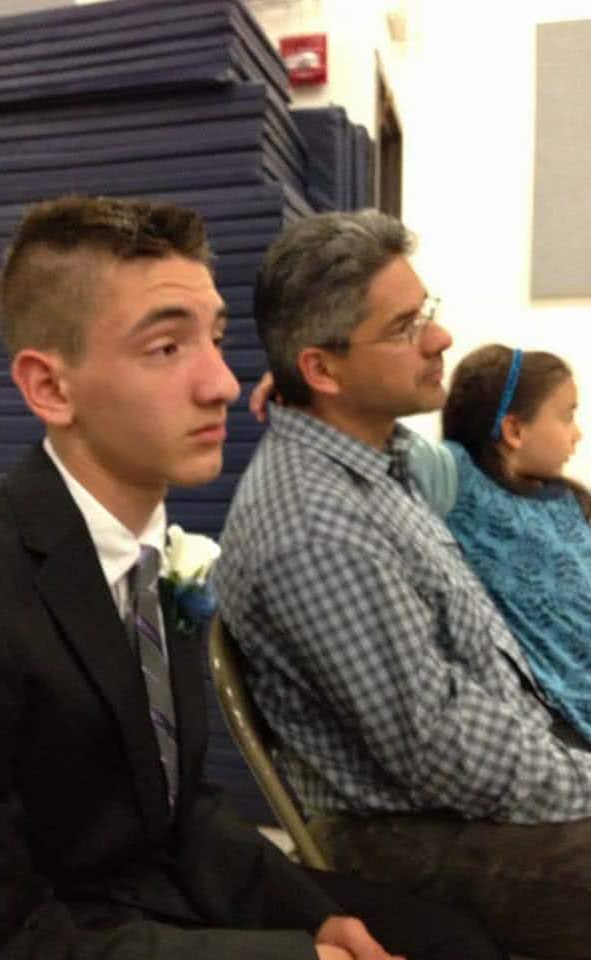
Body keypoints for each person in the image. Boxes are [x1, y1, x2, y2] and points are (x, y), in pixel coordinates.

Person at [0, 196, 503, 960]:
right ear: (51, 388)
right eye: (167, 347)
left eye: (217, 338)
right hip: (62, 927)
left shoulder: (153, 561)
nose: (224, 383)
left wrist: (311, 917)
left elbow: (179, 804)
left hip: (155, 897)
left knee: (454, 941)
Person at [214, 208, 591, 960]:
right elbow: (440, 746)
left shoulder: (381, 460)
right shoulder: (316, 529)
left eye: (427, 311)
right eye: (405, 326)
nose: (440, 337)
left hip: (468, 789)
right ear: (325, 370)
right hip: (406, 833)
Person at [409, 343, 591, 744]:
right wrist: (304, 396)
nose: (577, 434)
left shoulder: (570, 501)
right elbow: (388, 443)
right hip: (559, 722)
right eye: (567, 416)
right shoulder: (457, 480)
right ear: (514, 430)